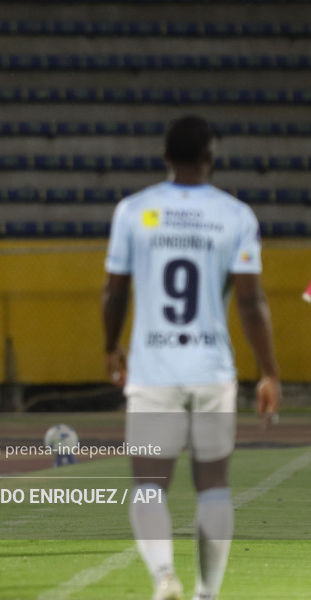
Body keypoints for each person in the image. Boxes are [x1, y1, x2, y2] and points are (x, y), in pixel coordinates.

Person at [102, 115, 281, 600]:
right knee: (215, 487)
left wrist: (110, 347)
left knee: (148, 486)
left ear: (165, 157)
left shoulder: (134, 211)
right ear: (211, 157)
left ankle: (164, 576)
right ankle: (206, 592)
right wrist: (269, 371)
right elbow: (250, 302)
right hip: (211, 369)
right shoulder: (236, 215)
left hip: (154, 370)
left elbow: (114, 294)